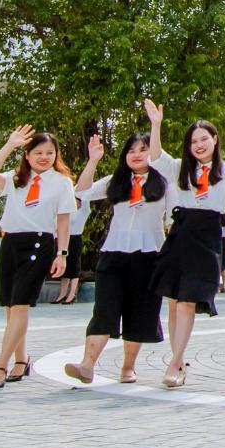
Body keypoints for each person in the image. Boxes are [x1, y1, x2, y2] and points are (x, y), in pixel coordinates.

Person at [65, 126, 169, 385]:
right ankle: (87, 365)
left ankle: (128, 367)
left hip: (149, 255)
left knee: (141, 311)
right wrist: (93, 160)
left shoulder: (165, 182)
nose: (136, 155)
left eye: (143, 150)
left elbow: (175, 215)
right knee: (104, 309)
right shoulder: (116, 181)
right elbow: (81, 193)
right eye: (131, 151)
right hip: (114, 254)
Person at [149, 103, 225, 389]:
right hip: (181, 232)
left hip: (208, 236)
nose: (199, 145)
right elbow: (155, 157)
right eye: (193, 141)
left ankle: (175, 362)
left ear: (215, 140)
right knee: (175, 301)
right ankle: (178, 360)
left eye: (204, 139)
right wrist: (156, 124)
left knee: (189, 300)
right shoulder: (180, 169)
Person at [0, 126, 74, 389]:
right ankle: (22, 359)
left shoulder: (62, 182)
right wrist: (9, 145)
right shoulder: (16, 178)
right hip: (10, 242)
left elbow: (64, 222)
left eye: (50, 153)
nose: (44, 157)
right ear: (28, 155)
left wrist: (62, 254)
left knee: (21, 304)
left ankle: (1, 364)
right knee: (10, 307)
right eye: (38, 152)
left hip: (39, 243)